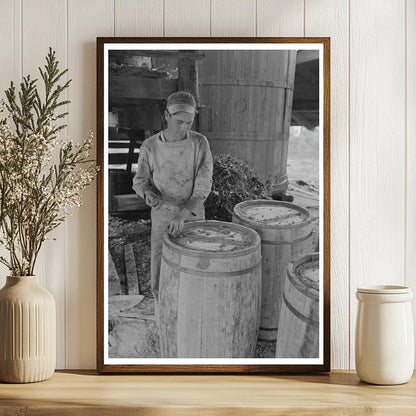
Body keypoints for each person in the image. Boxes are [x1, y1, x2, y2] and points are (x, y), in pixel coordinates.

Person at [132, 91, 213, 300]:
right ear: (166, 116)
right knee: (162, 264)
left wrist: (184, 213)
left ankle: (193, 306)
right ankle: (162, 306)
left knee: (195, 264)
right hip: (162, 212)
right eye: (179, 122)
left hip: (192, 212)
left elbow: (203, 185)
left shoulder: (199, 144)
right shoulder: (150, 146)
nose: (184, 127)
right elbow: (139, 181)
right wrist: (147, 194)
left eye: (189, 122)